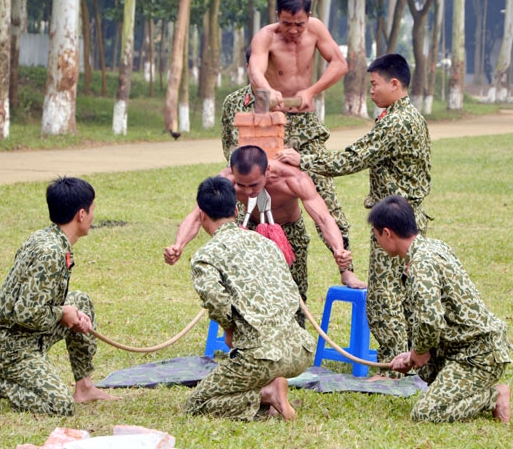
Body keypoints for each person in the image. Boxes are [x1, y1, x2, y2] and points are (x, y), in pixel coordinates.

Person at [276, 53, 431, 377]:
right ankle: (407, 362)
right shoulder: (408, 116)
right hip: (405, 215)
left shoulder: (397, 121)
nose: (370, 90)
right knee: (402, 295)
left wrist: (304, 160)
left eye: (374, 84)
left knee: (383, 298)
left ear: (394, 83)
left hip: (395, 222)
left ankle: (392, 369)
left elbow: (353, 157)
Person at [164, 145, 365, 328]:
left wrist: (338, 249)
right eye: (241, 186)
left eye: (253, 185)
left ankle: (294, 344)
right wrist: (178, 245)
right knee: (246, 289)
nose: (248, 191)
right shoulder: (226, 180)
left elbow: (322, 217)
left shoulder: (293, 179)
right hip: (250, 227)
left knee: (294, 293)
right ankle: (249, 342)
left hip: (288, 231)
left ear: (267, 171)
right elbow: (198, 214)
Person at [0, 176, 117, 416]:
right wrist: (63, 313)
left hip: (27, 332)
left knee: (79, 300)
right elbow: (26, 313)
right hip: (13, 346)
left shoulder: (48, 237)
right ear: (81, 214)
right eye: (92, 210)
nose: (93, 217)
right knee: (59, 405)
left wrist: (67, 311)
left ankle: (84, 387)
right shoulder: (50, 252)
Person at [369, 195, 512, 423]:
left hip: (477, 355)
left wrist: (417, 352)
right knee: (425, 367)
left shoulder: (421, 264)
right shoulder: (433, 246)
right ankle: (462, 386)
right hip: (466, 347)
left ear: (387, 233)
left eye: (376, 235)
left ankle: (494, 396)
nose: (377, 242)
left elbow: (430, 320)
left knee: (425, 413)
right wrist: (412, 355)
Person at [184, 176, 315, 421]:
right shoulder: (266, 243)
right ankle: (269, 389)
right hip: (300, 351)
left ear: (202, 214)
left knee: (197, 404)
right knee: (248, 371)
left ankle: (266, 394)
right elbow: (290, 291)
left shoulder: (206, 256)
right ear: (237, 209)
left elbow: (215, 298)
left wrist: (229, 328)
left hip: (260, 356)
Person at [246, 0, 354, 278]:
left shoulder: (316, 29)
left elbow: (340, 64)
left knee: (325, 195)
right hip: (272, 122)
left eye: (299, 24)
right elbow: (255, 70)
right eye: (286, 23)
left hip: (304, 121)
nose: (293, 31)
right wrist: (267, 91)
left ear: (309, 18)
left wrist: (312, 90)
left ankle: (346, 266)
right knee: (255, 188)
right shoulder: (265, 37)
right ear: (277, 16)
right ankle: (254, 260)